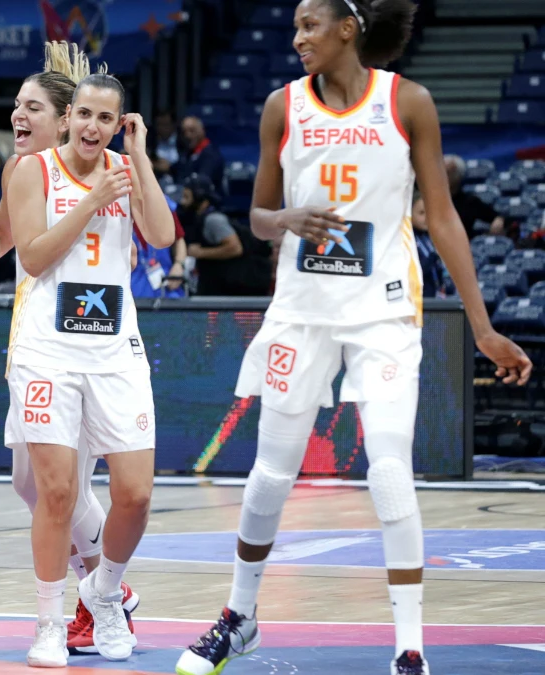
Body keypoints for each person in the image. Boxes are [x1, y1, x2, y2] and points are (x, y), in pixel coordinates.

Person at [174, 2, 533, 675]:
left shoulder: (408, 102)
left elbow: (445, 218)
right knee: (269, 475)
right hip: (302, 312)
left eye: (310, 25)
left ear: (348, 28)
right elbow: (255, 216)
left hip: (383, 313)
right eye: (293, 26)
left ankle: (409, 648)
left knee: (390, 469)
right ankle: (239, 616)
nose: (296, 36)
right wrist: (286, 217)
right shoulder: (282, 106)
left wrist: (483, 327)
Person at [0, 41, 144, 655]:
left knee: (62, 487)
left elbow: (148, 237)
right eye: (15, 105)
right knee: (31, 485)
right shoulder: (24, 172)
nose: (18, 115)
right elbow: (3, 239)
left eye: (30, 107)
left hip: (94, 347)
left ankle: (100, 593)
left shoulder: (108, 172)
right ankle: (105, 590)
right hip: (36, 339)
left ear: (63, 117)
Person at [5, 73, 174, 667]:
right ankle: (49, 622)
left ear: (118, 125)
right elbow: (33, 255)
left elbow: (161, 236)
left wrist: (142, 162)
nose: (93, 128)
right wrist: (91, 202)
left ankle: (103, 592)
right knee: (55, 491)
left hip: (113, 351)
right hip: (48, 351)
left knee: (137, 493)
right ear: (69, 115)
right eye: (84, 115)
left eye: (107, 119)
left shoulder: (126, 173)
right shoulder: (34, 171)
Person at [179, 173, 268, 296]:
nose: (183, 202)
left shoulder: (213, 220)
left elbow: (235, 248)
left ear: (200, 198)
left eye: (187, 197)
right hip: (219, 286)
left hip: (235, 288)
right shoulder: (197, 221)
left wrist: (201, 253)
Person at [444, 154, 504, 238]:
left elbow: (497, 217)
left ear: (458, 176)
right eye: (440, 170)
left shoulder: (470, 202)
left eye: (448, 172)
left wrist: (498, 220)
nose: (443, 175)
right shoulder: (427, 201)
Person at [411, 195, 447, 298]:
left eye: (429, 212)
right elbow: (417, 270)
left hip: (435, 294)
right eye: (421, 213)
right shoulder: (408, 239)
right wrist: (434, 255)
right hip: (419, 298)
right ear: (409, 213)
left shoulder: (429, 236)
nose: (426, 217)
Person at [175, 115, 224, 186]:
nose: (187, 135)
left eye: (192, 130)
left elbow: (202, 182)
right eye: (184, 132)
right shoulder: (187, 154)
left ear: (202, 131)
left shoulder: (211, 155)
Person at [146, 109, 180, 178]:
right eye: (159, 124)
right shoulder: (150, 141)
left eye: (165, 125)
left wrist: (170, 167)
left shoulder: (182, 140)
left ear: (173, 125)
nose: (162, 128)